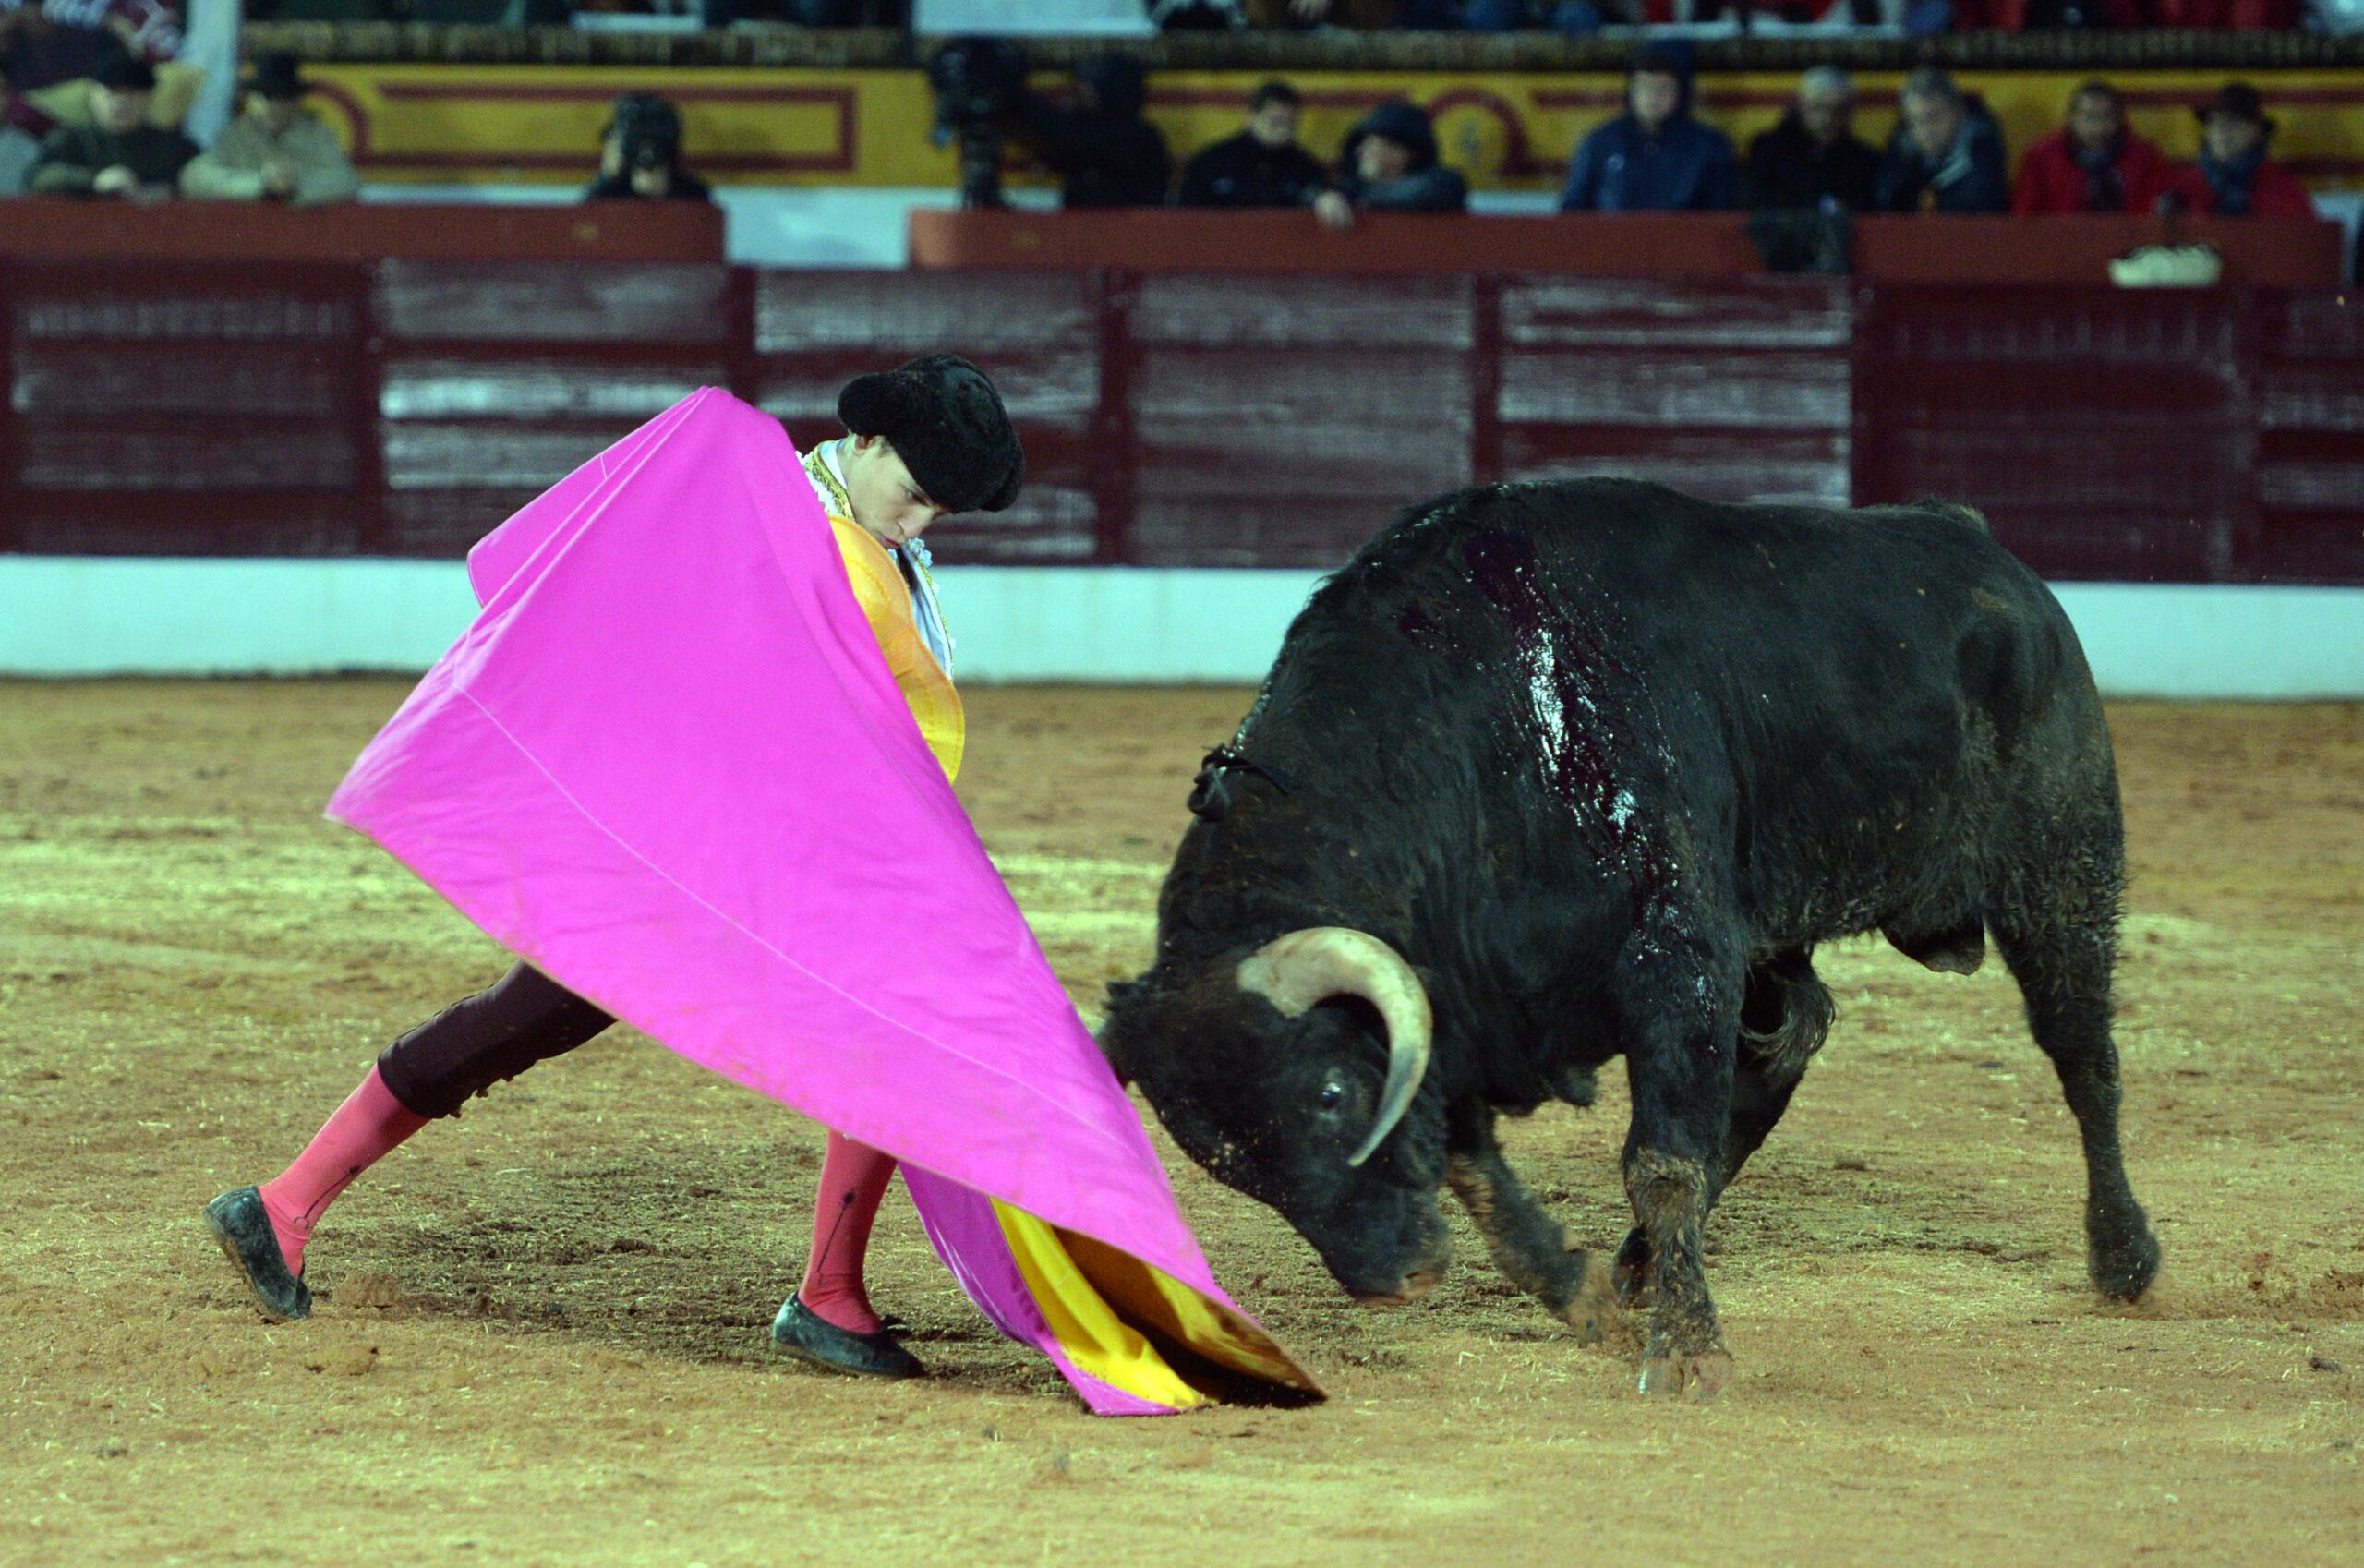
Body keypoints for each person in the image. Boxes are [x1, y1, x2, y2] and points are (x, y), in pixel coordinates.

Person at [205, 356, 1026, 1382]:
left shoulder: (848, 529)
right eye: (913, 497)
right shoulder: (761, 515)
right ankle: (282, 1205)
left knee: (871, 1026)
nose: (918, 526)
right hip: (690, 834)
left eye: (938, 512)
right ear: (864, 443)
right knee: (538, 1015)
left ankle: (828, 1294)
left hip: (772, 841)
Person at [1559, 42, 1738, 213]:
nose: (1652, 97)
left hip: (1684, 244)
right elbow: (1573, 215)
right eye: (1644, 86)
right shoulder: (1600, 143)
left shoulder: (1709, 148)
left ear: (1681, 93)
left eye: (1663, 88)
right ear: (1630, 90)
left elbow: (1720, 219)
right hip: (1612, 244)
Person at [179, 52, 358, 207]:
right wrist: (261, 182)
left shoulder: (317, 136)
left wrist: (297, 184)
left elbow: (347, 180)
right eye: (268, 95)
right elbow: (194, 178)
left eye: (285, 97)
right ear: (252, 99)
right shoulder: (237, 136)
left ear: (297, 102)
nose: (276, 105)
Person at [26, 46, 194, 199]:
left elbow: (198, 176)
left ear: (149, 98)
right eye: (112, 92)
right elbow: (39, 177)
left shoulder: (172, 145)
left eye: (132, 93)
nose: (121, 102)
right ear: (92, 95)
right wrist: (95, 179)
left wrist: (171, 192)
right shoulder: (71, 139)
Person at [1008, 54, 1171, 209]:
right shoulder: (1095, 127)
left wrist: (1015, 95)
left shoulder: (1136, 137)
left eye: (1089, 85)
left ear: (1110, 90)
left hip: (1123, 231)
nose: (1079, 92)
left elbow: (1069, 136)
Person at [2011, 80, 2174, 216]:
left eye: (2106, 117)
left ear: (2119, 119)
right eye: (2090, 117)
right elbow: (2025, 216)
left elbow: (2152, 212)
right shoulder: (2043, 157)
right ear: (2072, 118)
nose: (2098, 127)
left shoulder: (2143, 157)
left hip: (2130, 248)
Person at [2162, 83, 2316, 219]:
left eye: (2234, 121)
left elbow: (2300, 241)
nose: (2223, 129)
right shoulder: (2182, 188)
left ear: (2256, 130)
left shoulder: (2281, 187)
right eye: (2215, 121)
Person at [1312, 99, 1467, 230]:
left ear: (1404, 153)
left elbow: (1429, 191)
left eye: (1373, 145)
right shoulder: (1348, 187)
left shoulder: (1442, 184)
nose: (1360, 153)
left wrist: (1360, 200)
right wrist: (1323, 198)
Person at [1744, 65, 1881, 211]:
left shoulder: (1864, 160)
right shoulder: (1768, 150)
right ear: (1800, 106)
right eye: (1817, 107)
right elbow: (1758, 202)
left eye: (1837, 110)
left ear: (1850, 112)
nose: (1827, 118)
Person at [1874, 66, 2008, 214]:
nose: (1926, 129)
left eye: (1934, 117)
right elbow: (1884, 206)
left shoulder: (1982, 153)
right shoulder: (1900, 153)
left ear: (1959, 111)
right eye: (1916, 120)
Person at [1175, 78, 1327, 209]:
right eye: (1275, 122)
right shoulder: (1213, 163)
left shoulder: (1305, 168)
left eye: (1291, 124)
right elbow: (1187, 214)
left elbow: (1324, 195)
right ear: (1251, 117)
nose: (1283, 131)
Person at [583, 91, 712, 203]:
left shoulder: (693, 194)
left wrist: (664, 191)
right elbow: (586, 222)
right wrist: (607, 176)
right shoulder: (607, 194)